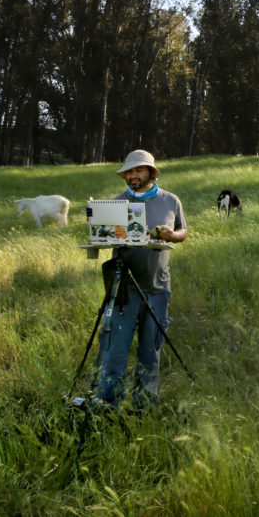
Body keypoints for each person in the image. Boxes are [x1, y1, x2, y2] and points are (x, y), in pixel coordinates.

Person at [95, 149, 187, 410]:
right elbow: (101, 237)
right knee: (115, 352)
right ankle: (107, 405)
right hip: (123, 289)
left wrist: (171, 235)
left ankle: (143, 406)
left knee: (150, 352)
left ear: (151, 172)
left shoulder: (171, 201)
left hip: (158, 287)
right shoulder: (115, 204)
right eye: (128, 171)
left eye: (138, 170)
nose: (132, 175)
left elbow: (183, 231)